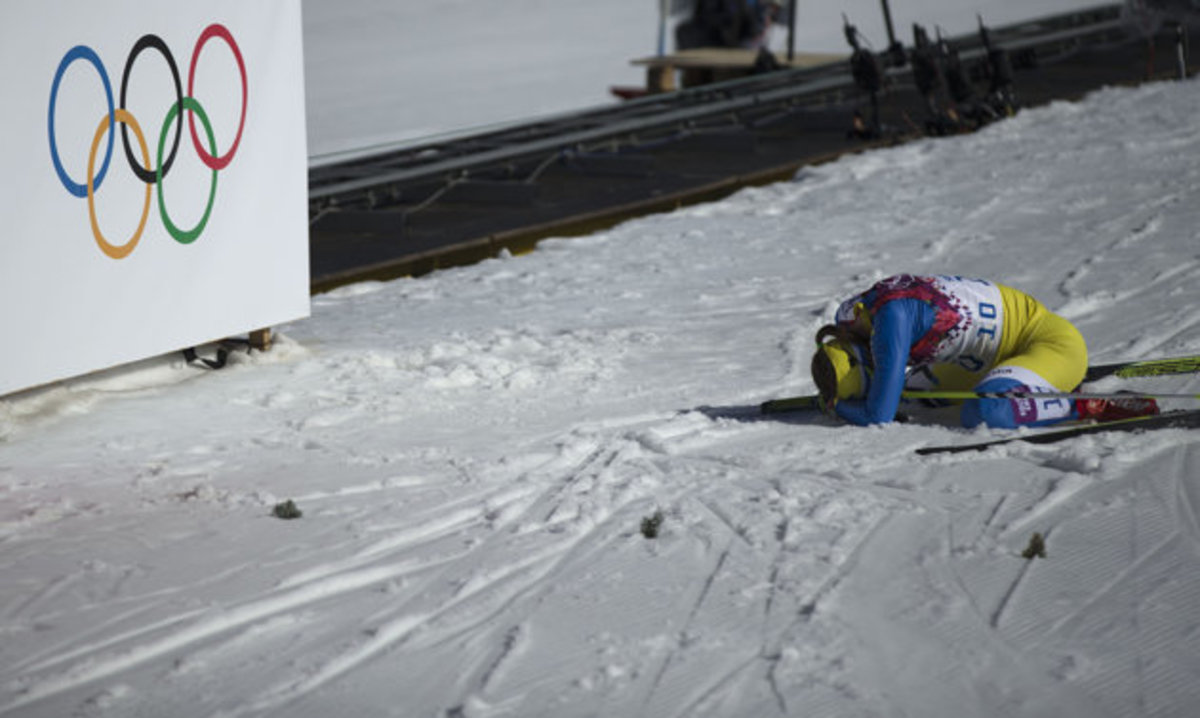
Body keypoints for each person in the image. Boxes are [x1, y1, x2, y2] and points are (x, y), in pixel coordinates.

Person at [811, 274, 1157, 428]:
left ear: (858, 321)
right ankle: (1025, 382)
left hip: (1050, 344)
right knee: (911, 396)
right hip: (984, 356)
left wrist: (838, 406)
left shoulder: (889, 320)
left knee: (984, 412)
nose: (869, 352)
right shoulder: (876, 301)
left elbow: (879, 417)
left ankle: (1092, 405)